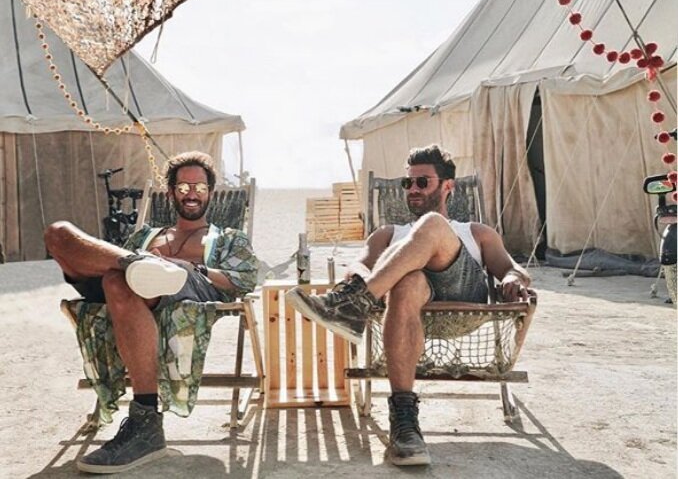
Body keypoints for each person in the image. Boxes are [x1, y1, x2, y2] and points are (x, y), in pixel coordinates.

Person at [286, 144, 531, 466]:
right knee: (407, 280)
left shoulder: (475, 231)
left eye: (422, 182)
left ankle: (350, 306)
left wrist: (514, 279)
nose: (412, 189)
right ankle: (404, 422)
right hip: (408, 307)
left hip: (463, 303)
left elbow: (512, 268)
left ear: (447, 186)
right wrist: (361, 274)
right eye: (407, 183)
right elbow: (359, 266)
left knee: (431, 225)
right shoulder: (387, 234)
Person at [44, 151, 258, 474]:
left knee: (119, 283)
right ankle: (138, 264)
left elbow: (242, 280)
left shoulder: (228, 239)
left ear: (210, 193)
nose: (191, 194)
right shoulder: (145, 235)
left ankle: (146, 421)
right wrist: (139, 259)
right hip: (129, 279)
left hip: (189, 285)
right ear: (171, 192)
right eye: (183, 188)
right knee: (57, 233)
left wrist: (188, 266)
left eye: (199, 188)